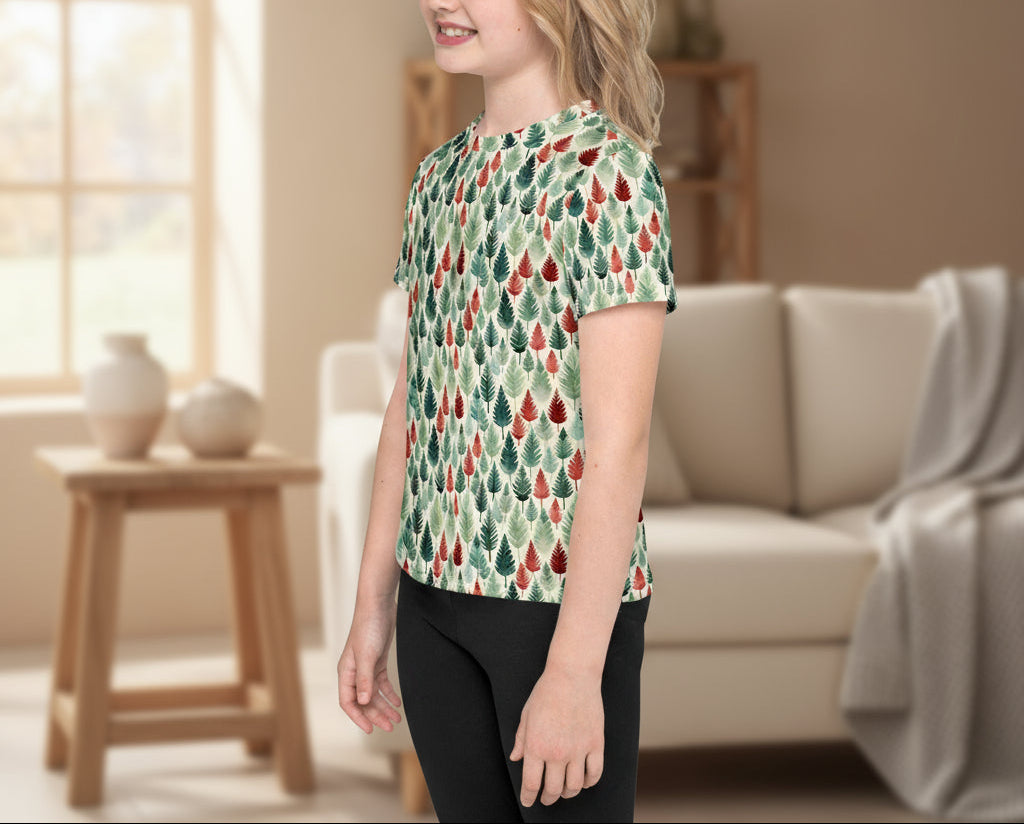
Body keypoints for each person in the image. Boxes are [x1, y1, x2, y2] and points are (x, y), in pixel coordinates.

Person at [337, 0, 678, 820]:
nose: (441, 3)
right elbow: (410, 408)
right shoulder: (440, 177)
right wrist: (372, 607)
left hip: (553, 617)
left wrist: (572, 672)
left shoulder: (608, 179)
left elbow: (619, 448)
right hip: (433, 609)